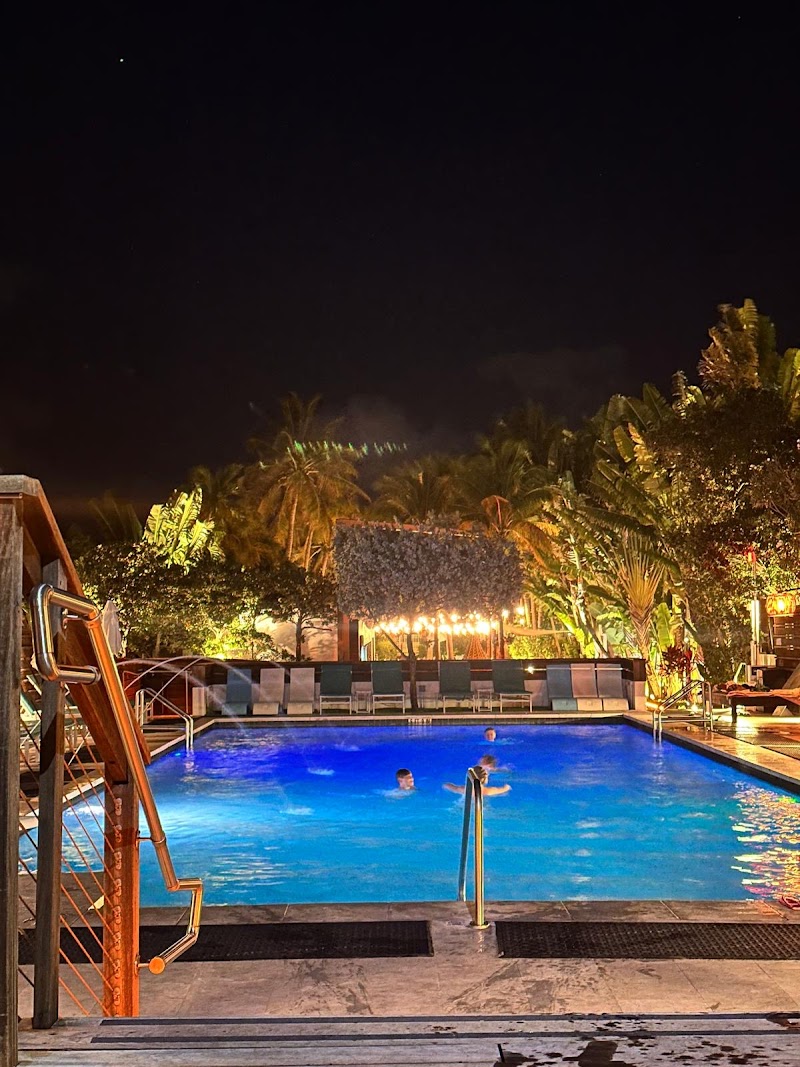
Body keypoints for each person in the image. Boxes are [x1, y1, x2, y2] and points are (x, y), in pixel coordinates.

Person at [443, 763, 510, 796]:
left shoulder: (464, 790)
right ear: (485, 778)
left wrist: (446, 784)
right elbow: (504, 789)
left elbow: (448, 786)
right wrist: (507, 787)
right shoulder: (487, 791)